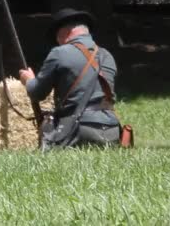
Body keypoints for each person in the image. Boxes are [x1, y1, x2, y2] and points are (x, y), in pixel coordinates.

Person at [18, 8, 121, 150]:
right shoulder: (107, 55)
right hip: (112, 130)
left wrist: (28, 80)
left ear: (64, 33)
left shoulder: (59, 53)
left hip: (78, 130)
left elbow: (37, 93)